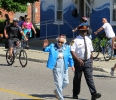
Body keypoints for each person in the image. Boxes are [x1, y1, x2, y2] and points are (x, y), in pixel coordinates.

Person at [70, 25, 101, 100]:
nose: (84, 33)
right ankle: (75, 93)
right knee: (77, 78)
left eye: (86, 31)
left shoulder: (88, 40)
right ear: (79, 31)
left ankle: (93, 93)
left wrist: (91, 61)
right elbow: (72, 51)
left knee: (89, 78)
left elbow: (91, 51)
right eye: (83, 31)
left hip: (87, 61)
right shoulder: (75, 40)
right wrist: (77, 60)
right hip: (79, 62)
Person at [43, 34, 75, 100]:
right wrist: (44, 46)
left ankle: (57, 91)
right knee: (58, 83)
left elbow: (70, 57)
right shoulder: (52, 46)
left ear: (64, 42)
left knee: (66, 82)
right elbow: (45, 49)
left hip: (64, 65)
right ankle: (61, 98)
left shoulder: (67, 47)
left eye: (61, 42)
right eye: (59, 41)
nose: (60, 43)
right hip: (56, 65)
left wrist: (72, 65)